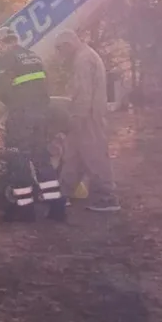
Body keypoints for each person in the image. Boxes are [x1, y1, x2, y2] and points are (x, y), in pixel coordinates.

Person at [0, 27, 66, 222]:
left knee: (18, 160)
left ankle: (24, 211)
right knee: (41, 158)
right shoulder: (33, 56)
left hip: (21, 116)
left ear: (1, 43)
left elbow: (2, 91)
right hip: (41, 115)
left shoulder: (6, 58)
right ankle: (57, 208)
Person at [53, 29, 121, 212]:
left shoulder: (82, 60)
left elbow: (84, 93)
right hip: (87, 114)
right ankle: (64, 193)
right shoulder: (86, 55)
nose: (61, 54)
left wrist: (77, 117)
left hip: (88, 116)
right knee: (73, 154)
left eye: (60, 49)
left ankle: (107, 197)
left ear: (68, 45)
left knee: (95, 155)